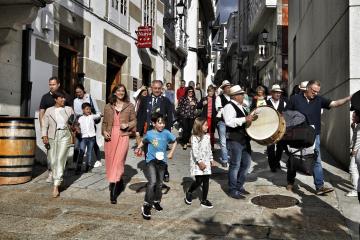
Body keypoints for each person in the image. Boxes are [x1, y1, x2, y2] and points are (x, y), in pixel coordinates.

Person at [287, 80, 352, 195]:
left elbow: (334, 103)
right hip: (297, 133)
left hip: (313, 135)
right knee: (294, 157)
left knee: (316, 159)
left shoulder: (319, 100)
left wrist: (348, 98)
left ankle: (319, 186)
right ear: (307, 88)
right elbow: (286, 115)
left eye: (317, 91)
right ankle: (290, 182)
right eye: (314, 91)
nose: (316, 93)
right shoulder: (295, 99)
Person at [135, 113, 177, 220]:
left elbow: (175, 141)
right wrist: (138, 148)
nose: (162, 125)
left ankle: (156, 201)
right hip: (151, 160)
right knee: (153, 182)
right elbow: (143, 142)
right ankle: (146, 205)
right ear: (154, 123)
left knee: (159, 184)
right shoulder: (149, 134)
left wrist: (171, 152)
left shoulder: (166, 133)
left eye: (163, 123)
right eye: (159, 123)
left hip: (162, 162)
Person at [102, 84, 136, 204]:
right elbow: (104, 123)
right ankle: (118, 180)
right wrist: (104, 132)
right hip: (110, 137)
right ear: (114, 92)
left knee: (119, 161)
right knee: (111, 162)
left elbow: (134, 121)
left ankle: (113, 191)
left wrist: (128, 125)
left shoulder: (130, 106)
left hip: (123, 136)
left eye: (123, 91)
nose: (121, 92)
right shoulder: (107, 106)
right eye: (118, 90)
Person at [136, 80, 173, 182]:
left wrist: (168, 133)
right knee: (148, 153)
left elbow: (169, 118)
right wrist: (138, 130)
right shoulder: (144, 99)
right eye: (155, 88)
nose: (157, 90)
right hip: (149, 131)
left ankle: (164, 171)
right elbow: (140, 116)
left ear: (162, 89)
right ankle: (153, 175)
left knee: (161, 154)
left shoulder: (166, 101)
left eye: (159, 88)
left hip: (161, 132)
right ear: (151, 88)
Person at [223, 85, 255, 199]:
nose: (243, 96)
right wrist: (245, 119)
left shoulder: (242, 106)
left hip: (244, 139)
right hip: (235, 139)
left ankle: (239, 185)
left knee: (246, 164)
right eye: (241, 94)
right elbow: (229, 122)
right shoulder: (228, 107)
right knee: (235, 165)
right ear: (235, 96)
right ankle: (232, 189)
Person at [39, 76, 73, 183]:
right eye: (50, 84)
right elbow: (41, 113)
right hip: (50, 130)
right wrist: (43, 130)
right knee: (51, 155)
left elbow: (71, 114)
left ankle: (59, 174)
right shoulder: (45, 97)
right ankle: (51, 172)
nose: (51, 86)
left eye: (53, 84)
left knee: (61, 154)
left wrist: (71, 130)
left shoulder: (65, 96)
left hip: (63, 131)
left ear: (58, 85)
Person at [184, 117, 215, 208]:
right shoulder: (194, 137)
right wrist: (200, 162)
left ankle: (204, 200)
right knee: (199, 181)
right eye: (205, 125)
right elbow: (195, 151)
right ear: (199, 126)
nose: (207, 126)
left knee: (206, 180)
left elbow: (209, 149)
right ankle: (189, 192)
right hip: (198, 162)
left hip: (206, 161)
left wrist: (211, 159)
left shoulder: (207, 136)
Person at [73, 84, 103, 169]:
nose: (78, 94)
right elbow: (76, 113)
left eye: (80, 92)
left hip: (90, 122)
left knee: (93, 143)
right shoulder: (75, 101)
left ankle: (99, 160)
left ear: (83, 90)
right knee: (77, 143)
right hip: (80, 122)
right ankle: (75, 162)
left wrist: (94, 116)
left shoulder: (89, 97)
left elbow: (97, 110)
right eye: (77, 92)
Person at [266, 84, 287, 172]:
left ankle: (277, 161)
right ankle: (272, 166)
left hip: (280, 128)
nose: (278, 94)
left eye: (279, 93)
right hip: (269, 128)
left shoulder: (284, 103)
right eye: (276, 92)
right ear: (272, 93)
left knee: (280, 147)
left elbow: (287, 114)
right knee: (270, 147)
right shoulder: (265, 102)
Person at [75, 103, 101, 174]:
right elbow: (77, 125)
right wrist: (77, 128)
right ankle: (78, 168)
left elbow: (98, 116)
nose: (88, 110)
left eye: (89, 109)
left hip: (91, 138)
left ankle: (88, 167)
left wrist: (101, 114)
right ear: (83, 110)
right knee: (81, 152)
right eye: (87, 109)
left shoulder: (92, 116)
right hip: (83, 138)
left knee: (89, 153)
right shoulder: (80, 118)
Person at [215, 80, 231, 167]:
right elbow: (218, 108)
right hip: (222, 121)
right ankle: (225, 159)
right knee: (223, 141)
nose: (229, 89)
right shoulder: (219, 97)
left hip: (231, 122)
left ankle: (228, 156)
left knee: (229, 140)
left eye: (229, 87)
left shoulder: (232, 97)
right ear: (224, 89)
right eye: (227, 87)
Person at [348, 110, 360, 197]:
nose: (352, 118)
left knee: (352, 168)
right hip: (357, 150)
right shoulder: (357, 125)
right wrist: (353, 127)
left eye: (354, 116)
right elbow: (355, 136)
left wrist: (354, 150)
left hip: (357, 151)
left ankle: (356, 190)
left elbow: (358, 139)